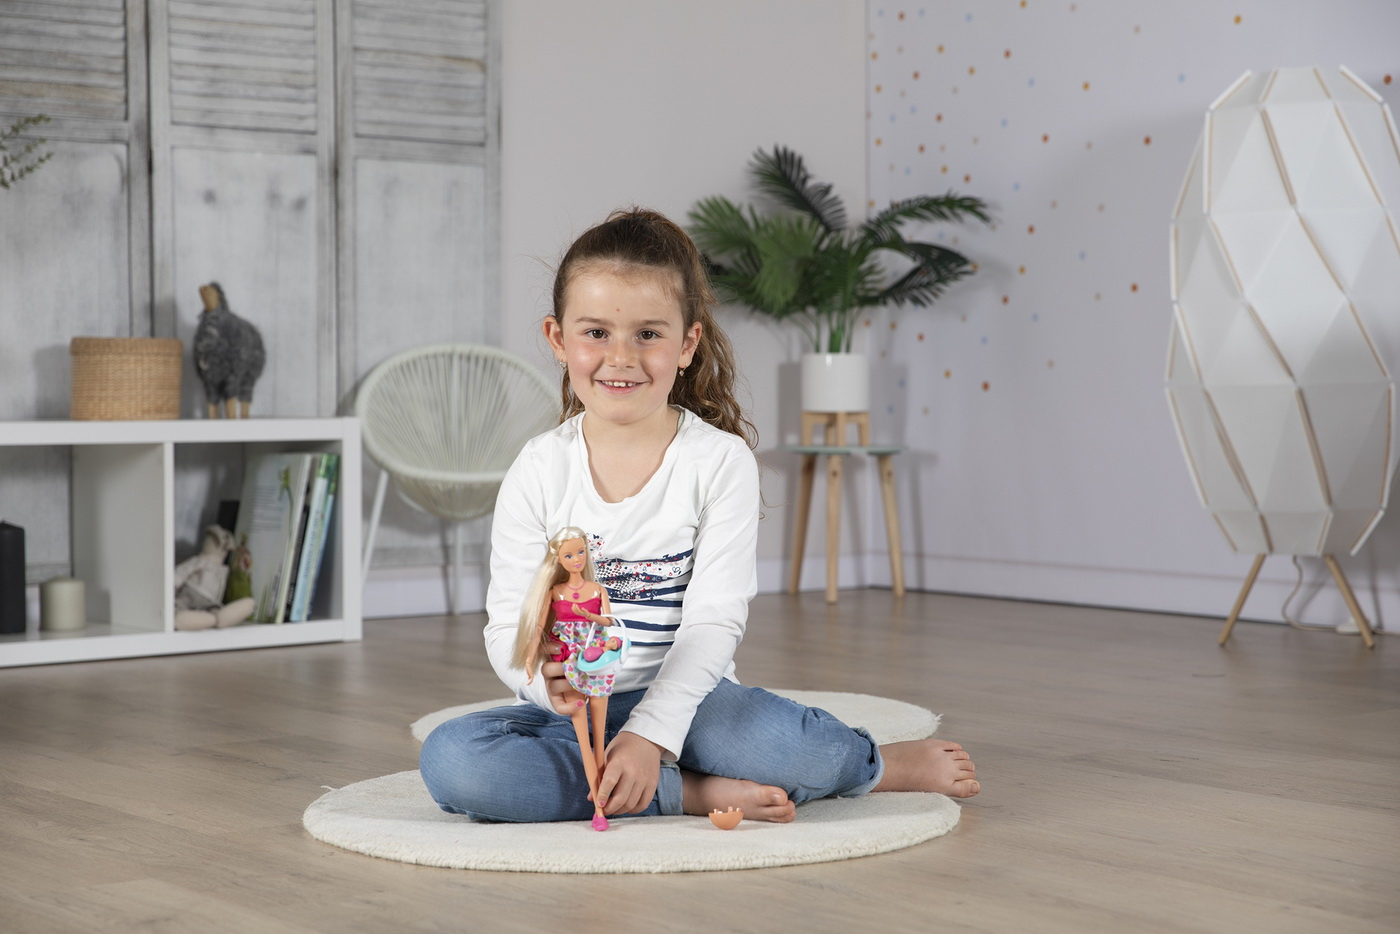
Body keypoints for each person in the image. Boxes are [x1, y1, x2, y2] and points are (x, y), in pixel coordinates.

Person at [419, 207, 978, 824]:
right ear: (558, 339)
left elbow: (713, 622)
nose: (620, 357)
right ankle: (686, 793)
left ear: (687, 344)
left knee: (786, 747)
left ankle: (874, 765)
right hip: (575, 716)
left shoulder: (718, 460)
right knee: (454, 761)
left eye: (648, 334)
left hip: (696, 706)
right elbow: (508, 625)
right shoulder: (536, 467)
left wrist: (651, 734)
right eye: (596, 332)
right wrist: (541, 684)